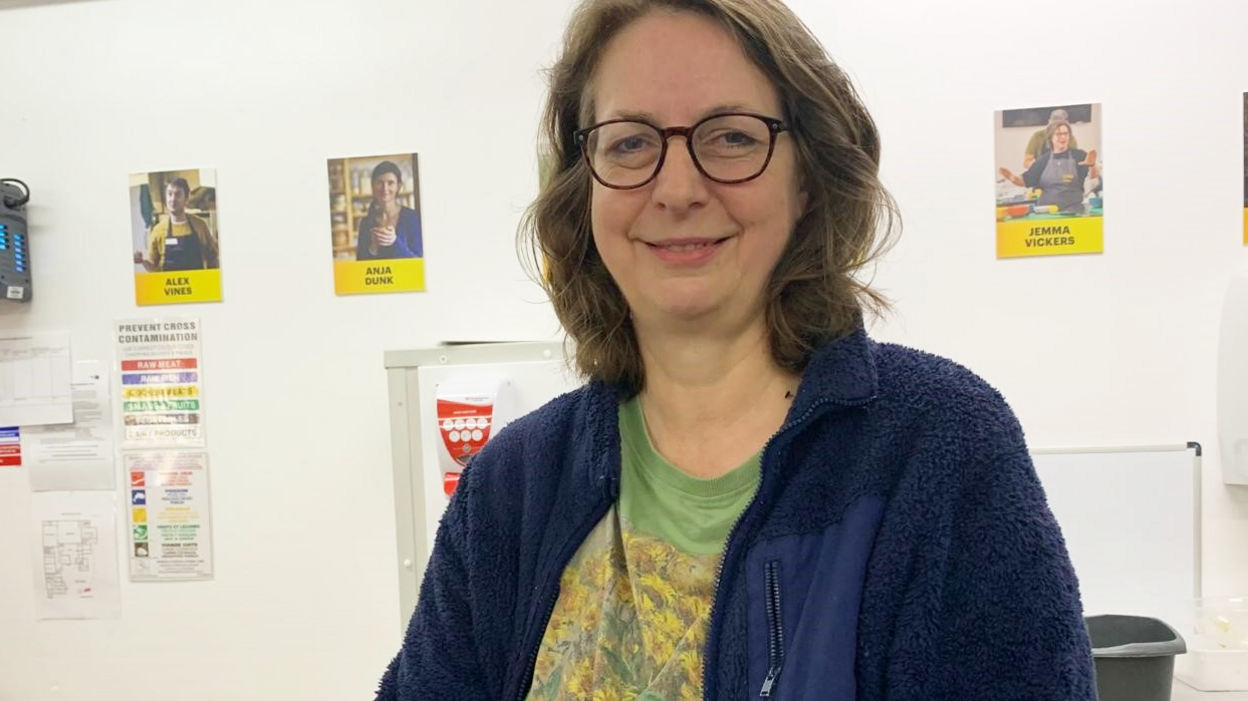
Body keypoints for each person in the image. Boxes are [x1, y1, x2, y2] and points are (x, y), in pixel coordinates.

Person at [377, 0, 1095, 699]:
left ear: (807, 178)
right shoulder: (513, 484)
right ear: (582, 185)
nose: (679, 188)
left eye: (731, 137)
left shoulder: (939, 448)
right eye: (630, 142)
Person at [1000, 120, 1099, 213]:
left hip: (1073, 212)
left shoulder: (1080, 156)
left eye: (1066, 134)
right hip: (1047, 213)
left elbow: (1093, 178)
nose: (1063, 137)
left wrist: (1092, 165)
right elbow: (1025, 181)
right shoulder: (1042, 161)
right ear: (1050, 137)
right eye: (1059, 134)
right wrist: (1012, 177)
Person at [133, 177, 220, 272]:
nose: (173, 199)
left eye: (178, 194)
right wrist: (142, 261)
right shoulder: (158, 230)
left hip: (197, 285)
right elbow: (153, 269)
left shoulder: (199, 225)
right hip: (169, 286)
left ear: (186, 199)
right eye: (170, 194)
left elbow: (213, 258)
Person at [356, 161, 422, 261]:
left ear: (398, 186)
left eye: (390, 183)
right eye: (380, 183)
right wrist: (373, 249)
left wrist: (395, 241)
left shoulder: (412, 218)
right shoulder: (365, 223)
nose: (385, 188)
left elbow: (419, 262)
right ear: (373, 186)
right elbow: (360, 266)